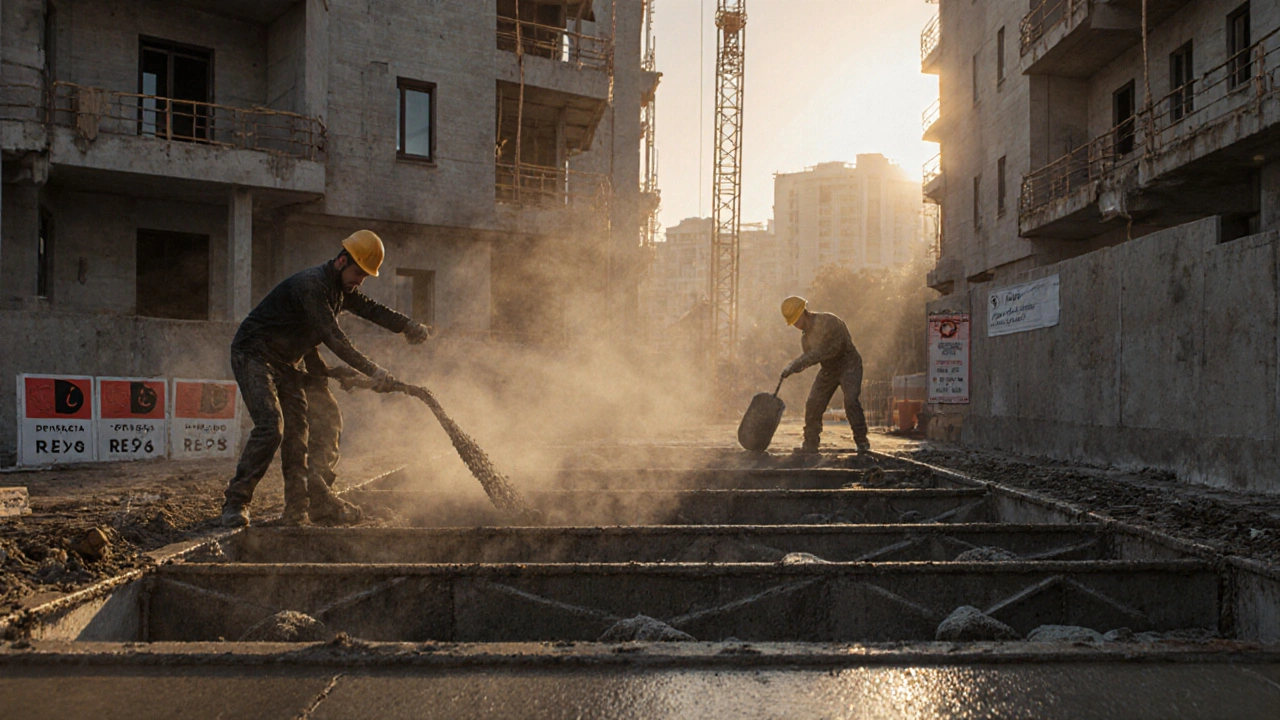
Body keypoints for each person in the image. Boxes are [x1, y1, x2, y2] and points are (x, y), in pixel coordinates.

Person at [220, 230, 432, 527]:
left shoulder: (340, 290)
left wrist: (407, 325)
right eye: (358, 273)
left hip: (288, 364)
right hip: (254, 354)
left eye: (365, 277)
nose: (360, 281)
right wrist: (373, 371)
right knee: (271, 426)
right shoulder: (311, 286)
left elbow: (372, 310)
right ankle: (236, 502)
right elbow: (334, 337)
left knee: (300, 435)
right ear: (342, 261)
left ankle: (298, 507)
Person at [779, 296, 871, 454]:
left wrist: (795, 364)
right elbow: (810, 359)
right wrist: (793, 369)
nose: (795, 324)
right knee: (813, 403)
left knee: (850, 401)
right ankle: (811, 444)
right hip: (829, 369)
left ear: (804, 312)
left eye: (796, 320)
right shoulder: (805, 339)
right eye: (792, 322)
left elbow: (825, 351)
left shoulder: (829, 322)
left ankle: (862, 442)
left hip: (849, 363)